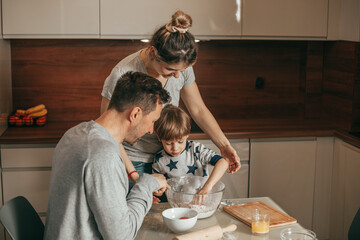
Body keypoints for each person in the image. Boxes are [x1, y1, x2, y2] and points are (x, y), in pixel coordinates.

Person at [100, 10, 241, 186]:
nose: (177, 77)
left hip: (169, 159)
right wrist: (133, 174)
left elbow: (198, 109)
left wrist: (224, 145)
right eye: (170, 70)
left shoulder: (181, 66)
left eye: (181, 71)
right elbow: (109, 131)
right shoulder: (122, 74)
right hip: (132, 160)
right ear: (153, 52)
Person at [44, 71, 171, 240]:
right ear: (135, 114)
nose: (150, 130)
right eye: (153, 121)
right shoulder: (104, 156)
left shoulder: (74, 133)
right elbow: (121, 236)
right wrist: (147, 184)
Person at [152, 104, 230, 196]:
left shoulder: (196, 150)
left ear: (187, 133)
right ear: (159, 137)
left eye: (180, 142)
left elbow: (223, 162)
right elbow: (158, 190)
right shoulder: (159, 159)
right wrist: (157, 192)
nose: (175, 148)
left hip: (201, 202)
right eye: (168, 143)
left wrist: (207, 187)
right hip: (176, 205)